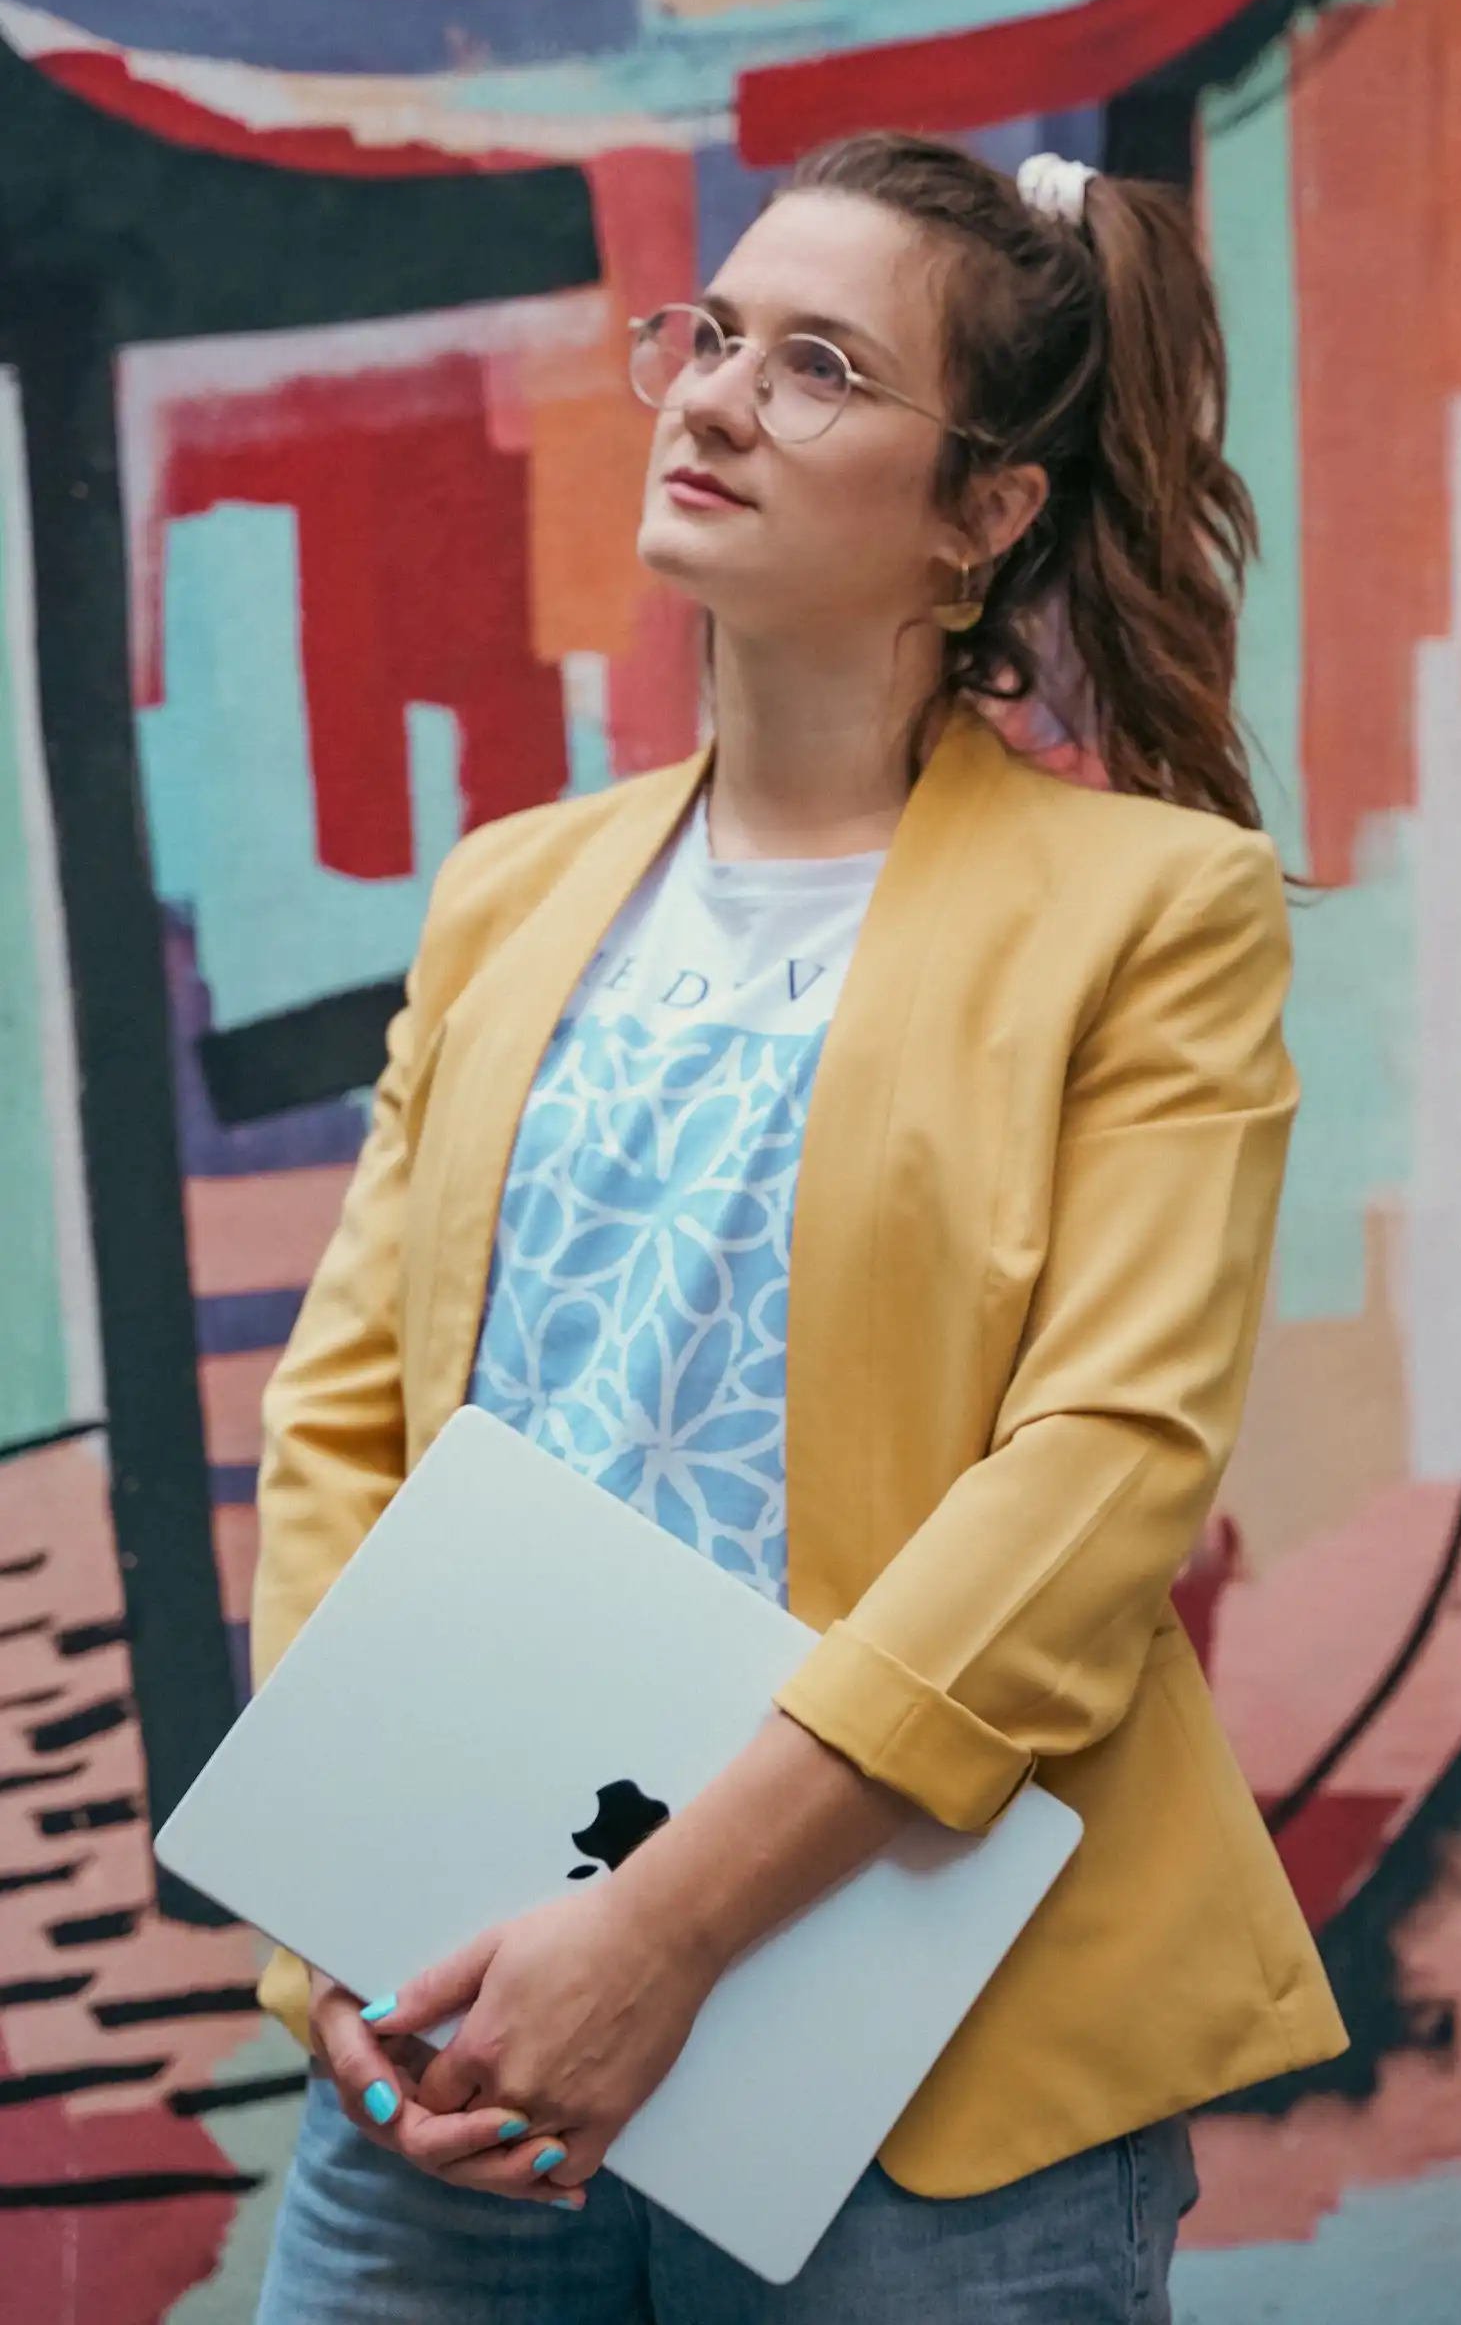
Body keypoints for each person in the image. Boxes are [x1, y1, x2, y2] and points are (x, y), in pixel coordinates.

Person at [250, 131, 1346, 2324]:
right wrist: (336, 1901)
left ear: (983, 513)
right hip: (460, 2029)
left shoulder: (1154, 911)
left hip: (922, 2081)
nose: (717, 397)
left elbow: (1103, 1472)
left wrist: (661, 1928)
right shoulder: (510, 891)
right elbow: (345, 1418)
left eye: (820, 366)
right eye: (713, 334)